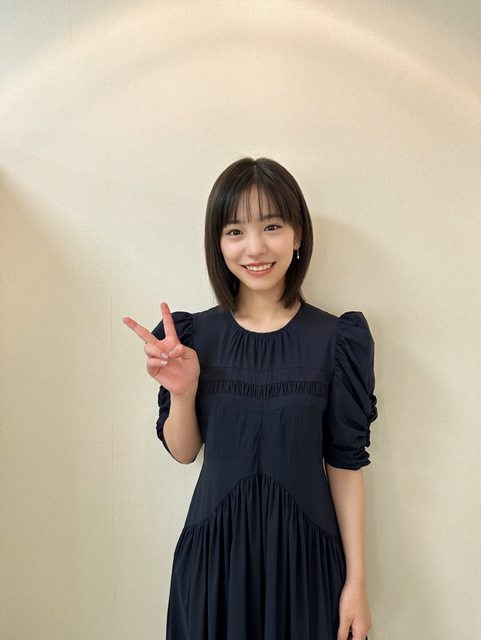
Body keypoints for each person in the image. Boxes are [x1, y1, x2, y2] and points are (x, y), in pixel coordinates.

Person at [122, 157, 379, 640]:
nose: (255, 247)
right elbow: (184, 452)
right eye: (235, 231)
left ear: (298, 235)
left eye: (272, 226)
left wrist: (356, 584)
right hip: (213, 565)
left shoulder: (337, 341)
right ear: (218, 243)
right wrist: (183, 392)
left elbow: (346, 465)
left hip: (306, 567)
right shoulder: (193, 337)